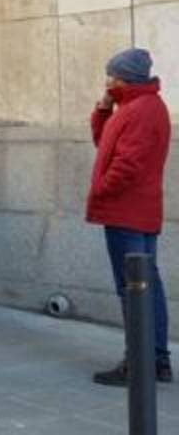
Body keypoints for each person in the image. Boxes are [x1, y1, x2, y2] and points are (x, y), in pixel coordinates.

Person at [86, 48, 172, 386]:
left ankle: (139, 363)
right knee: (148, 285)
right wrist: (103, 110)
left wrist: (101, 190)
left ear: (125, 78)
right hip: (139, 210)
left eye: (111, 75)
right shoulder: (137, 107)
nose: (107, 81)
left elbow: (127, 164)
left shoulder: (140, 110)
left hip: (126, 211)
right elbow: (103, 142)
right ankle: (157, 360)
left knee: (133, 289)